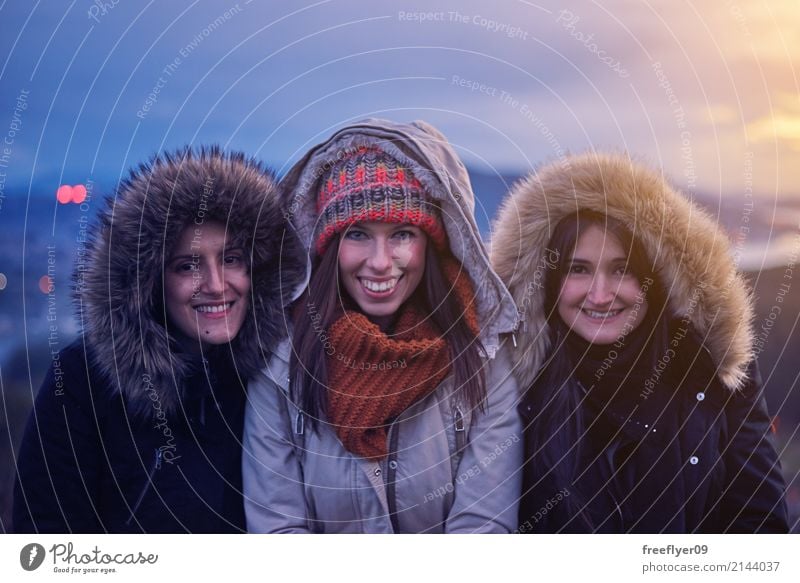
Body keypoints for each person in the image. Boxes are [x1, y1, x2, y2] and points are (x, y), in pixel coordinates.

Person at [243, 119, 522, 533]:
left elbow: (483, 527)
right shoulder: (283, 367)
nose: (379, 260)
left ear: (431, 242)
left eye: (402, 234)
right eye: (357, 234)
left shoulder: (483, 360)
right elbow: (277, 531)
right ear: (328, 246)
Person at [491, 152, 789, 533]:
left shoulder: (709, 372)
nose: (600, 295)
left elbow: (760, 521)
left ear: (657, 278)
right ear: (547, 282)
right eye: (577, 269)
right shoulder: (513, 385)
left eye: (623, 270)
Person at [13, 147, 305, 533]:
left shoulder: (277, 375)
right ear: (148, 281)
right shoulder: (83, 382)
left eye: (232, 259)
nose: (218, 286)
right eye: (188, 265)